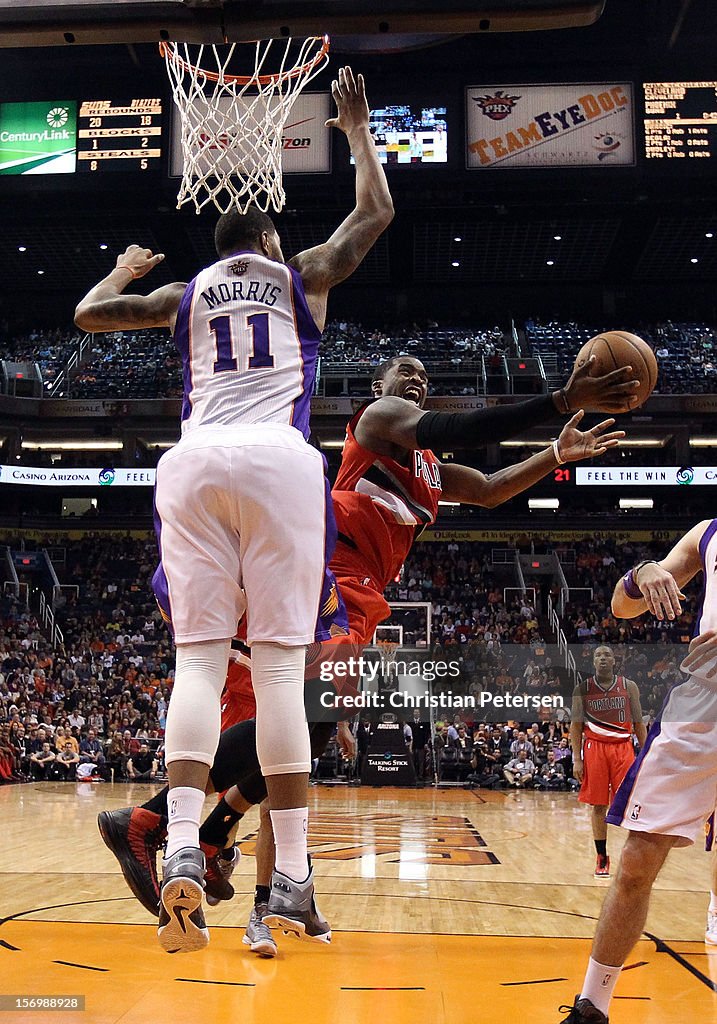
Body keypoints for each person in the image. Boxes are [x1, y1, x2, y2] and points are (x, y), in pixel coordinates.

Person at [98, 347, 634, 951]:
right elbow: (463, 427)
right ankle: (154, 821)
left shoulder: (429, 468)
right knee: (303, 717)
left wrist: (556, 454)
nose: (418, 377)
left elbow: (487, 489)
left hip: (359, 593)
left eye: (425, 372)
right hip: (325, 573)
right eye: (406, 370)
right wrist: (560, 398)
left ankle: (217, 831)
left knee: (309, 731)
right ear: (378, 386)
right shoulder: (379, 422)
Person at [75, 66, 394, 954]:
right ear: (267, 234)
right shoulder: (302, 276)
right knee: (287, 675)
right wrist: (356, 130)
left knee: (199, 668)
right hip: (276, 463)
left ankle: (179, 847)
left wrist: (122, 268)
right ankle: (288, 876)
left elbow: (90, 316)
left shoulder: (185, 297)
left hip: (191, 463)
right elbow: (373, 217)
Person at [559, 521, 717, 1022]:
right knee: (635, 864)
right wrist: (643, 572)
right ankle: (592, 1008)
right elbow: (620, 606)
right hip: (704, 707)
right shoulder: (708, 534)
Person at [569, 645, 646, 878]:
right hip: (595, 748)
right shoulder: (582, 689)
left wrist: (646, 753)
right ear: (593, 662)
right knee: (598, 805)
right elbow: (575, 726)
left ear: (614, 661)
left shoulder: (628, 686)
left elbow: (639, 723)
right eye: (598, 655)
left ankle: (631, 857)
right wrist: (577, 758)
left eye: (607, 655)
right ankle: (602, 857)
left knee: (631, 804)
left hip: (623, 747)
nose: (603, 659)